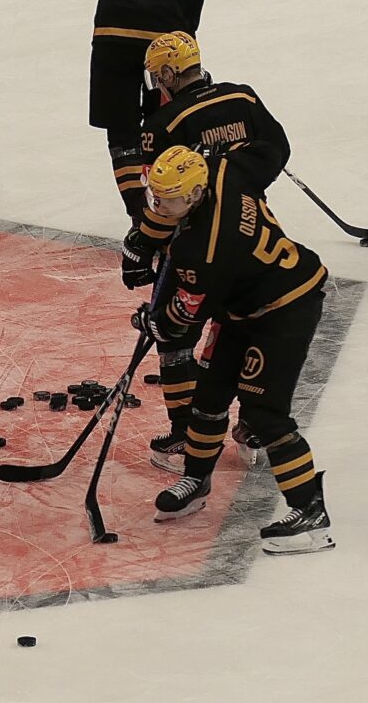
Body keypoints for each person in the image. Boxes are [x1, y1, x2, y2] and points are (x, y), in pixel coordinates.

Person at [137, 145, 334, 556]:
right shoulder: (222, 169)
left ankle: (310, 513)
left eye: (167, 198)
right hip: (244, 301)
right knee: (209, 397)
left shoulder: (204, 250)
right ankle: (196, 480)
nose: (158, 205)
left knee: (264, 413)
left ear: (194, 194)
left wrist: (154, 321)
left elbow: (182, 319)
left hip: (285, 308)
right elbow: (264, 150)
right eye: (155, 194)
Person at [122, 31, 291, 473]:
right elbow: (279, 149)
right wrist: (238, 185)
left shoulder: (163, 125)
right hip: (252, 228)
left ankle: (186, 434)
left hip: (196, 244)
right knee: (246, 329)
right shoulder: (243, 97)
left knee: (174, 334)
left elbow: (164, 201)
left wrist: (140, 245)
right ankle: (253, 424)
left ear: (167, 73)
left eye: (157, 76)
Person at [67, 0, 211, 227]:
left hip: (111, 36)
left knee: (122, 130)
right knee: (169, 123)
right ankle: (174, 204)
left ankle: (141, 219)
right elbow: (188, 25)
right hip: (161, 49)